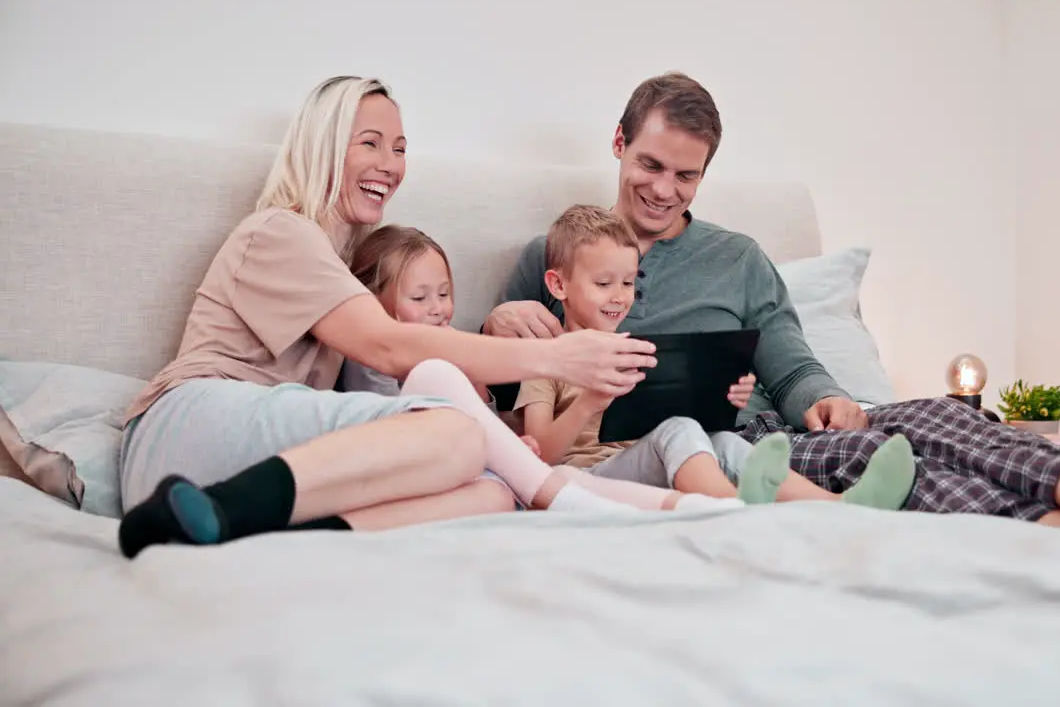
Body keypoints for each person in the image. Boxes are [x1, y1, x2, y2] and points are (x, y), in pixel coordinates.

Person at [483, 71, 1060, 541]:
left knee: (928, 417)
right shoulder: (554, 258)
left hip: (775, 428)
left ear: (705, 177)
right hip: (729, 460)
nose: (663, 190)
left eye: (686, 177)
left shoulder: (737, 257)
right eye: (650, 164)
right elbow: (503, 396)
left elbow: (787, 350)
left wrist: (823, 396)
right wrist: (497, 328)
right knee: (892, 466)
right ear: (619, 144)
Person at [114, 75, 724, 560]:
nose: (390, 163)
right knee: (455, 430)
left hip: (243, 463)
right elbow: (386, 347)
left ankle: (258, 530)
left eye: (400, 148)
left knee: (488, 490)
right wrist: (553, 353)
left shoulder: (341, 261)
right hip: (187, 425)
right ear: (323, 146)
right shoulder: (278, 232)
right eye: (371, 143)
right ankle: (570, 497)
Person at [332, 220, 756, 515]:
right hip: (469, 466)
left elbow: (498, 427)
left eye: (444, 294)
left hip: (515, 469)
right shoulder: (374, 358)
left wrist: (512, 440)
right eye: (420, 299)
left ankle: (792, 506)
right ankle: (722, 510)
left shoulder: (462, 357)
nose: (439, 309)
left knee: (712, 437)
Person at [513, 204, 918, 509]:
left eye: (627, 282)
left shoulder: (633, 348)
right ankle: (731, 510)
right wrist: (587, 403)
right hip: (583, 478)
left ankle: (838, 507)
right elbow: (539, 455)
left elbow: (665, 425)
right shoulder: (547, 358)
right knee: (677, 431)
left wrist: (722, 396)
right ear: (558, 285)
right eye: (603, 283)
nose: (620, 296)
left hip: (644, 468)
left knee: (720, 439)